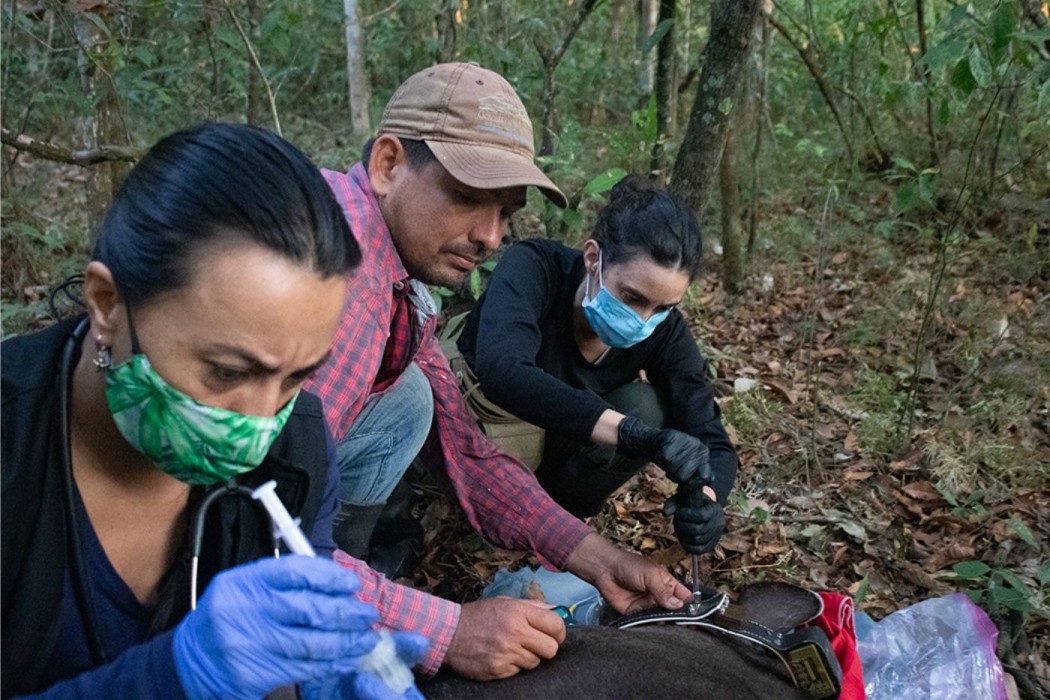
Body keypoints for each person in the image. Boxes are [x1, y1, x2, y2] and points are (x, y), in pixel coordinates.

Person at [1, 123, 425, 698]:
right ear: (107, 305)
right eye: (227, 372)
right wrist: (169, 678)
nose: (258, 422)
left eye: (296, 376)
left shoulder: (297, 453)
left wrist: (313, 681)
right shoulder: (14, 445)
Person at [307, 62, 695, 682]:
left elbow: (465, 452)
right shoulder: (339, 285)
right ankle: (335, 602)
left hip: (280, 514)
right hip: (217, 563)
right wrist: (446, 627)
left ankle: (346, 568)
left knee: (412, 397)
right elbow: (248, 532)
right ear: (388, 164)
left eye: (506, 212)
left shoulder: (400, 289)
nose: (489, 236)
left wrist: (596, 559)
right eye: (465, 197)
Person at [454, 175, 736, 550]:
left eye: (663, 308)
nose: (643, 319)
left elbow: (708, 432)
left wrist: (708, 499)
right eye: (632, 297)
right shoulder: (537, 268)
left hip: (559, 448)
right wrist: (632, 434)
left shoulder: (663, 330)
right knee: (638, 420)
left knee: (649, 405)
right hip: (476, 426)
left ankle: (553, 520)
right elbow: (503, 371)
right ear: (592, 258)